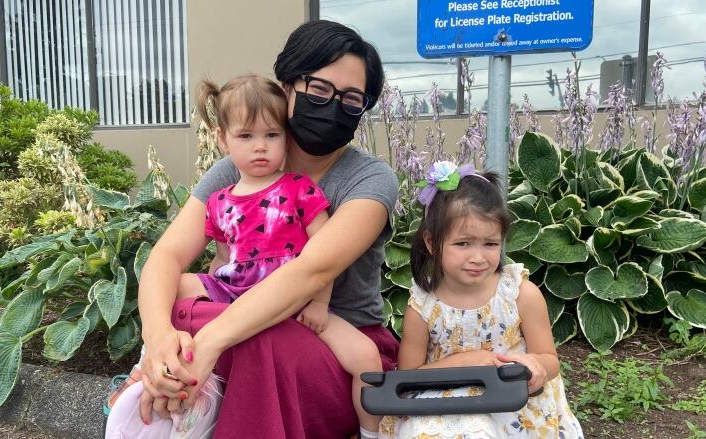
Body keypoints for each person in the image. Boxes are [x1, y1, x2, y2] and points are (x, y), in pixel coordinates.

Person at [133, 20, 400, 439]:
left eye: (352, 99)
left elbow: (311, 271)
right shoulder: (238, 168)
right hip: (245, 325)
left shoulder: (369, 179)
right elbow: (166, 257)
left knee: (258, 336)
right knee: (177, 304)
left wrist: (210, 343)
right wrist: (159, 339)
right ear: (287, 85)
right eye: (318, 89)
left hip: (331, 342)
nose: (332, 105)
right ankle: (169, 391)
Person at [378, 161, 584, 439]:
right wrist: (467, 361)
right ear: (431, 242)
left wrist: (536, 367)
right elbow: (409, 376)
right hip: (444, 400)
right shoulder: (424, 307)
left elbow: (549, 359)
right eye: (462, 244)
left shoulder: (519, 294)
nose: (478, 257)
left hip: (511, 401)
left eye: (490, 244)